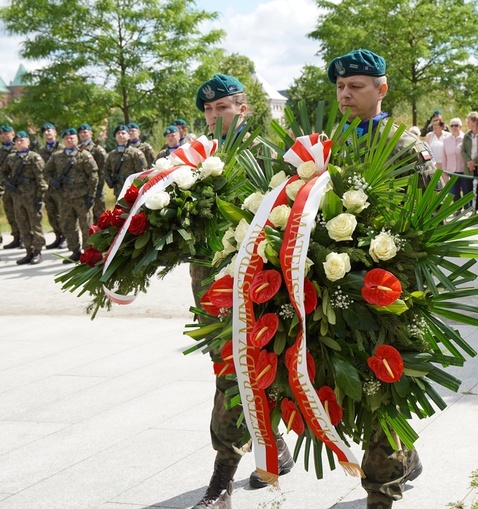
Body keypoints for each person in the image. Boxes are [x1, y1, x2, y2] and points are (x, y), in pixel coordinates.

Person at [329, 48, 433, 509]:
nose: (346, 95)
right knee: (366, 389)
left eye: (357, 86)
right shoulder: (333, 142)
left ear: (382, 88)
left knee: (384, 388)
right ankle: (403, 459)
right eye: (340, 87)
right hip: (343, 287)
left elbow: (429, 225)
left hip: (394, 290)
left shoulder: (406, 146)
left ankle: (381, 496)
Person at [190, 73, 290, 509]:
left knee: (241, 372)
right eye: (209, 110)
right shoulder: (196, 156)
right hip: (208, 285)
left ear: (243, 108)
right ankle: (277, 446)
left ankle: (222, 478)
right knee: (230, 369)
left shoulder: (267, 156)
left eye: (222, 107)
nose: (214, 116)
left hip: (253, 284)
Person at [44, 128, 99, 263]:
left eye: (72, 138)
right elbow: (46, 172)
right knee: (68, 225)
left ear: (77, 139)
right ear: (63, 140)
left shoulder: (84, 155)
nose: (69, 140)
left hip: (82, 197)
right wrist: (52, 182)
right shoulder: (56, 156)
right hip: (64, 197)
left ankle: (88, 252)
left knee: (86, 225)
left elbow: (93, 176)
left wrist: (91, 196)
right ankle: (75, 251)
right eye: (67, 138)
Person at [0, 131, 47, 264]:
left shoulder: (34, 157)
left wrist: (39, 198)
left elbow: (41, 180)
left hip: (32, 197)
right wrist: (6, 182)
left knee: (35, 225)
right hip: (17, 197)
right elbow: (2, 173)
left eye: (22, 140)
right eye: (17, 141)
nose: (19, 143)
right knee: (22, 224)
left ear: (28, 142)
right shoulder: (11, 158)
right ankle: (28, 251)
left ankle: (37, 252)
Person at [38, 123, 66, 249]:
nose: (47, 132)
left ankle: (66, 237)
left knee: (63, 212)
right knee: (51, 213)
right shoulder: (41, 150)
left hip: (61, 187)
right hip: (48, 187)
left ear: (55, 133)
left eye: (50, 130)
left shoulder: (62, 148)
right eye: (45, 131)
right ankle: (57, 236)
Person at [103, 125, 148, 193]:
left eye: (123, 133)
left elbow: (143, 172)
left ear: (128, 136)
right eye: (118, 133)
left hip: (134, 190)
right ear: (115, 137)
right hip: (118, 190)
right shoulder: (112, 154)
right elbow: (106, 169)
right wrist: (108, 179)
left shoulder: (135, 153)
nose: (121, 135)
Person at [77, 123, 108, 219]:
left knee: (99, 217)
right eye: (81, 132)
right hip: (81, 189)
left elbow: (103, 170)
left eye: (85, 132)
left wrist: (99, 187)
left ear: (91, 134)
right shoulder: (77, 150)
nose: (83, 134)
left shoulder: (97, 150)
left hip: (96, 188)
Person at [1, 124, 23, 249]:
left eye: (6, 133)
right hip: (6, 186)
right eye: (2, 134)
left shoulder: (19, 148)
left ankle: (26, 238)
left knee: (21, 213)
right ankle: (16, 237)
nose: (4, 136)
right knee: (10, 212)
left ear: (13, 134)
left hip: (20, 187)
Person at [443, 118, 469, 210]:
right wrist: (444, 169)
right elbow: (444, 155)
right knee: (454, 191)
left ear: (460, 127)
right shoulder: (446, 139)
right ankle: (457, 209)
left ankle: (467, 209)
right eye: (452, 125)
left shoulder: (465, 137)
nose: (454, 127)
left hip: (464, 170)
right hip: (452, 170)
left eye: (456, 125)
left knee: (466, 190)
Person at [424, 118, 450, 187]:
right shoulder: (429, 135)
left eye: (436, 125)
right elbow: (426, 149)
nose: (434, 127)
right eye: (433, 125)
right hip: (433, 163)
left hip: (444, 163)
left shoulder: (447, 135)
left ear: (441, 126)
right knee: (435, 182)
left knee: (445, 182)